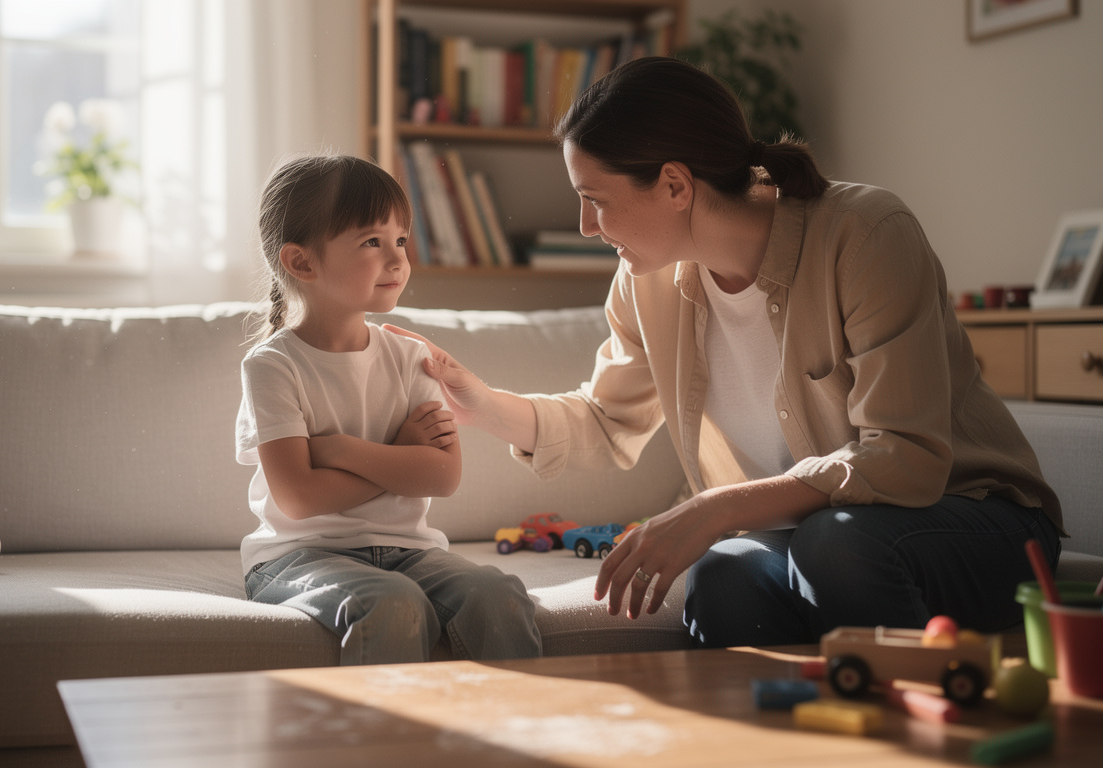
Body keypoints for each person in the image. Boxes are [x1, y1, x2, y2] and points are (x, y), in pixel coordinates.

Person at [389, 57, 1063, 648]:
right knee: (724, 580)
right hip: (815, 537)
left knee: (837, 546)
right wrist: (481, 404)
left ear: (677, 185)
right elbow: (606, 419)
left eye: (595, 200)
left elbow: (907, 459)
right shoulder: (645, 281)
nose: (585, 227)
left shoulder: (865, 235)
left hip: (972, 521)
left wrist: (717, 508)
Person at [235, 154, 542, 664]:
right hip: (296, 558)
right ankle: (387, 744)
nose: (398, 259)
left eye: (400, 240)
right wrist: (399, 456)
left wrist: (341, 451)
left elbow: (442, 476)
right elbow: (299, 498)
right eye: (372, 242)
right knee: (393, 605)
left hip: (410, 550)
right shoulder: (271, 366)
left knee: (499, 594)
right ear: (302, 261)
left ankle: (509, 740)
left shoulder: (410, 355)